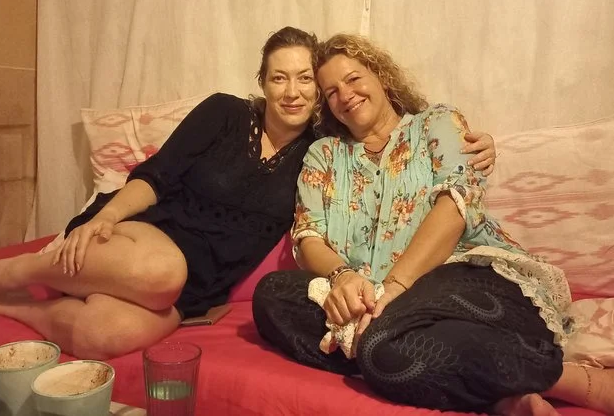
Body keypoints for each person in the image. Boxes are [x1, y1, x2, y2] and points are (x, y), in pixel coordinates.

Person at [0, 27, 496, 361]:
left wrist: (477, 145)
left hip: (201, 284)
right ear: (262, 81)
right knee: (160, 272)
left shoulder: (323, 150)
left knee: (105, 334)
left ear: (318, 93)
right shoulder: (223, 112)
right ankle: (14, 271)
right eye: (279, 78)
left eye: (306, 80)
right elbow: (158, 175)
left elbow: (395, 134)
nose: (293, 91)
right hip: (150, 239)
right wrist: (108, 216)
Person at [252, 33, 614, 416]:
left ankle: (575, 382)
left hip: (466, 277)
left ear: (381, 76)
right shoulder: (323, 154)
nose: (345, 95)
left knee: (382, 338)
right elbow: (308, 235)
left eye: (354, 78)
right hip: (373, 298)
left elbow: (454, 207)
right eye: (331, 92)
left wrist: (393, 287)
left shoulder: (436, 123)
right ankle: (497, 394)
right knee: (274, 295)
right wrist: (342, 277)